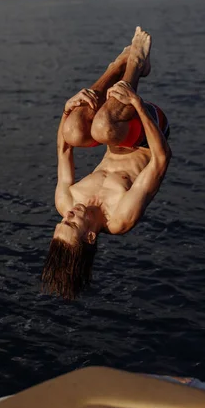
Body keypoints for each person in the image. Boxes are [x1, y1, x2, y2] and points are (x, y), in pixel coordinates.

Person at [41, 27, 171, 300]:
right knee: (102, 127)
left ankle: (117, 65)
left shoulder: (65, 201)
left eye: (62, 221)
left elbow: (64, 148)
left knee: (73, 130)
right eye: (72, 223)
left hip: (114, 129)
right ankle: (136, 60)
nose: (69, 213)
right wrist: (136, 102)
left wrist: (67, 109)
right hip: (148, 135)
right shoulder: (120, 217)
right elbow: (161, 159)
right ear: (89, 237)